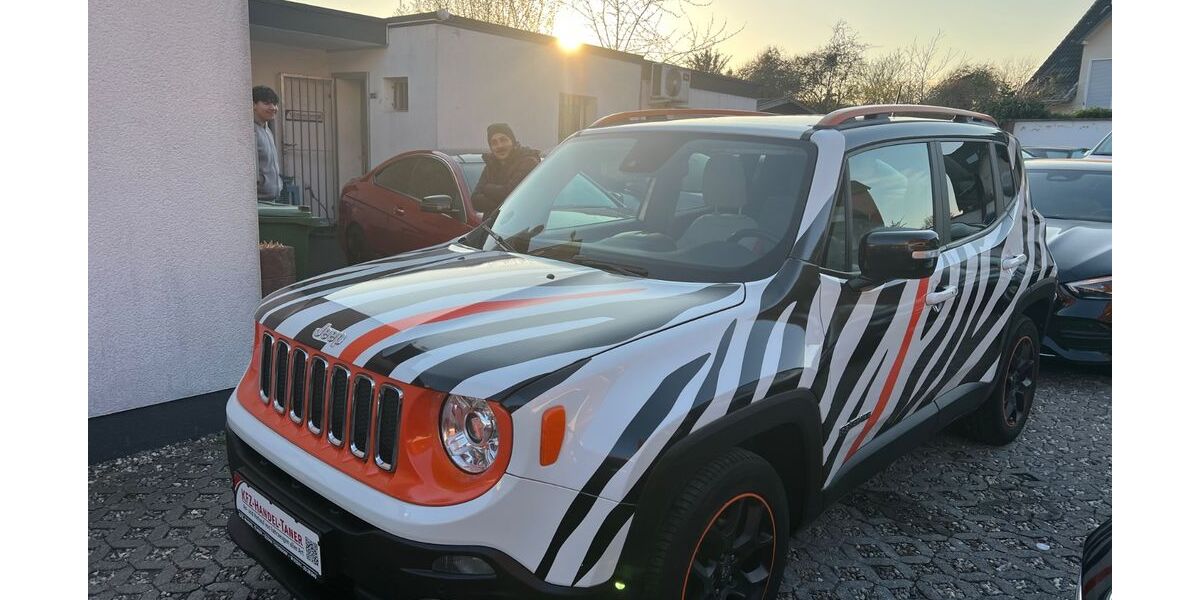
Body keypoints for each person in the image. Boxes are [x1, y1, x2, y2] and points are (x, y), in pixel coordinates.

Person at [471, 123, 541, 214]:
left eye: (503, 140)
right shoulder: (490, 165)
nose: (500, 146)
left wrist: (486, 188)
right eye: (494, 143)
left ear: (512, 141)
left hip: (520, 225)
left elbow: (510, 195)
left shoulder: (528, 162)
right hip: (492, 226)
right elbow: (475, 200)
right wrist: (502, 202)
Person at [253, 86, 283, 202]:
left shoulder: (267, 129)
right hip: (258, 202)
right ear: (253, 105)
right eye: (267, 103)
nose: (273, 108)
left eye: (275, 104)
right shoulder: (250, 131)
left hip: (272, 199)